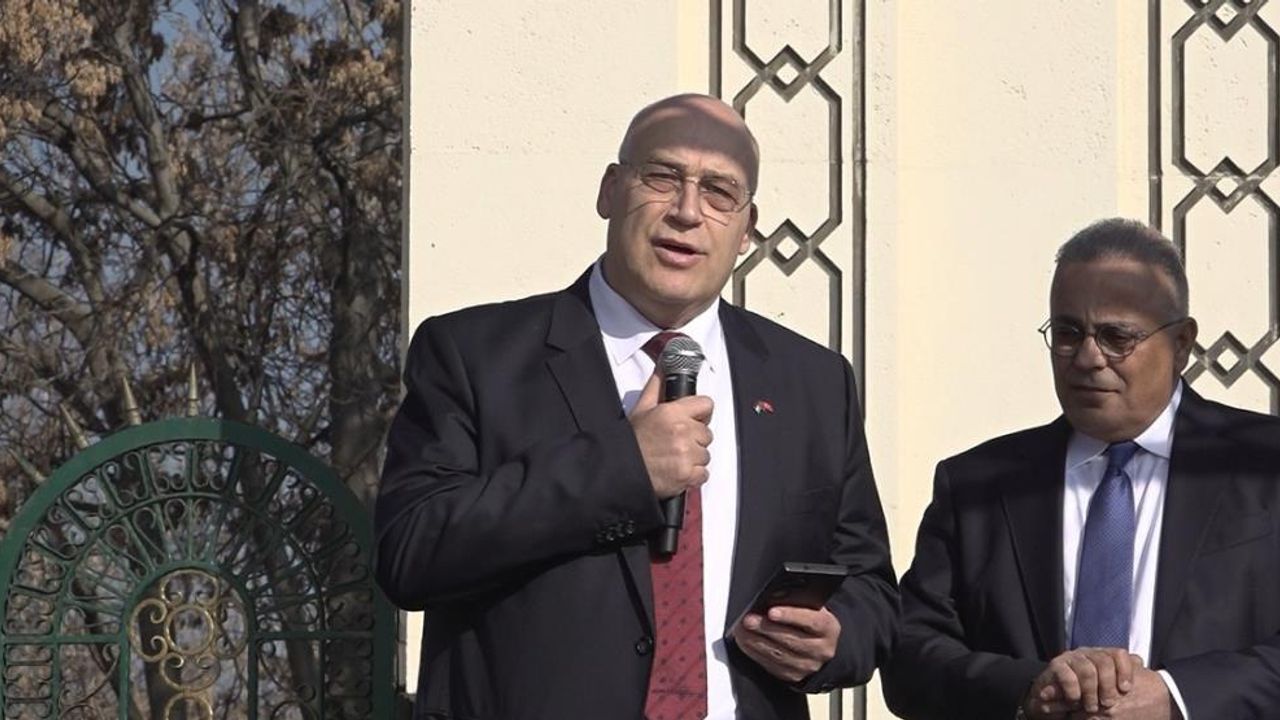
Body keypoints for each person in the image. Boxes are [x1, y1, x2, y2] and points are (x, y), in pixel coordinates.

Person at [375, 94, 898, 719]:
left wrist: (836, 638)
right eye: (663, 177)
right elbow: (410, 553)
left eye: (719, 192)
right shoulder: (475, 355)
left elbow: (870, 588)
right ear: (609, 190)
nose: (687, 212)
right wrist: (620, 468)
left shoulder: (812, 382)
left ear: (747, 229)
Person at [881, 218, 1280, 720]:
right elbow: (909, 656)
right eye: (1068, 333)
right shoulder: (978, 486)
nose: (1088, 358)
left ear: (1181, 343)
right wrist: (1027, 690)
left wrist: (1176, 697)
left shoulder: (1265, 466)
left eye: (1117, 336)